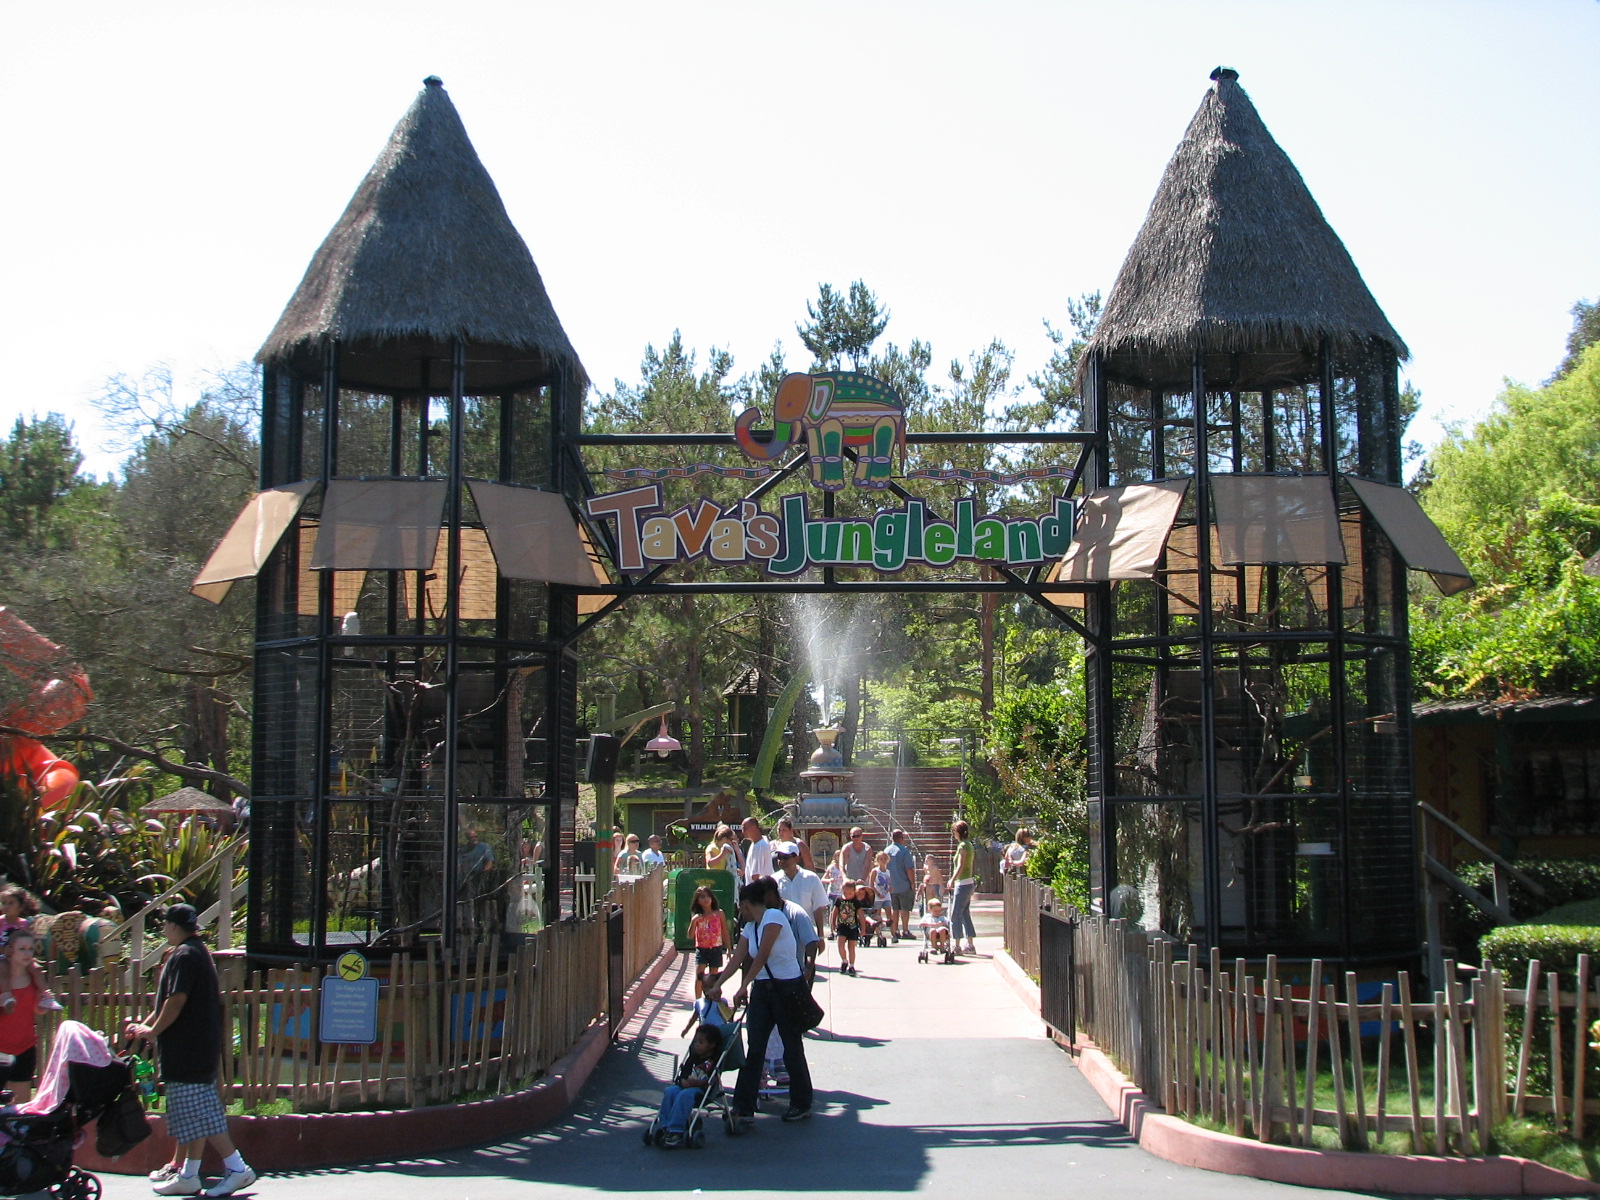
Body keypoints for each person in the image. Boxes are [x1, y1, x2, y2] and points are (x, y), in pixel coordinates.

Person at [125, 904, 256, 1197]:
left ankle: (237, 1169)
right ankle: (189, 1174)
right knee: (192, 1114)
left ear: (173, 926)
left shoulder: (185, 955)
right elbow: (166, 1003)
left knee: (201, 1114)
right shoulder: (197, 952)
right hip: (195, 1049)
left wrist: (153, 1031)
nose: (163, 930)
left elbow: (176, 1000)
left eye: (165, 925)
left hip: (188, 1051)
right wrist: (144, 1026)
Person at [712, 881, 813, 1126]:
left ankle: (801, 1102)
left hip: (786, 988)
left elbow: (763, 955)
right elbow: (737, 959)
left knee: (791, 1045)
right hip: (763, 990)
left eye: (741, 906)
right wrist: (719, 983)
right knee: (755, 1047)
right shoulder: (750, 927)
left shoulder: (774, 917)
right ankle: (743, 1106)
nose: (740, 911)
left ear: (746, 903)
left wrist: (743, 984)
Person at [652, 1025, 721, 1148]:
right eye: (695, 1041)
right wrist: (683, 1080)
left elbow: (710, 1080)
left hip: (700, 1091)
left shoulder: (713, 1061)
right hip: (686, 1086)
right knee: (670, 1091)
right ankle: (665, 1125)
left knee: (684, 1095)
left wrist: (696, 1083)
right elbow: (684, 1072)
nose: (696, 1045)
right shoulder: (693, 1057)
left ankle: (676, 1130)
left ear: (711, 1045)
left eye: (701, 1042)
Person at [0, 929, 48, 1103]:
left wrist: (44, 1004)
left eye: (30, 949)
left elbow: (37, 1010)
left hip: (24, 1046)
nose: (28, 953)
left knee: (20, 1107)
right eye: (22, 949)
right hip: (1, 1048)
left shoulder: (34, 976)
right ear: (11, 950)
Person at [773, 842, 829, 963]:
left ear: (796, 858)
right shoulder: (773, 881)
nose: (781, 861)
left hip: (806, 933)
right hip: (781, 933)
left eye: (785, 857)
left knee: (806, 967)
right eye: (779, 857)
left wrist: (820, 936)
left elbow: (818, 908)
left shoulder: (811, 878)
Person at [686, 886, 732, 997]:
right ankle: (698, 1002)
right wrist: (694, 921)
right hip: (702, 949)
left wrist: (729, 949)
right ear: (698, 901)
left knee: (713, 977)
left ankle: (712, 1000)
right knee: (699, 976)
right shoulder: (697, 917)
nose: (705, 899)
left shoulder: (719, 914)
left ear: (712, 898)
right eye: (702, 897)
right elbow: (690, 936)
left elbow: (725, 932)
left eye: (707, 896)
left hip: (716, 949)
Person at [949, 819, 978, 956]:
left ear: (958, 832)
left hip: (962, 883)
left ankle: (957, 945)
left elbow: (960, 865)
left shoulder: (962, 846)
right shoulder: (969, 845)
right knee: (965, 914)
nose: (953, 834)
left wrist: (952, 879)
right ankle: (970, 944)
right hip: (969, 882)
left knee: (955, 915)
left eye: (954, 831)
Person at [885, 829, 917, 939]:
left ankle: (895, 930)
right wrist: (912, 883)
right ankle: (905, 930)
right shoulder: (904, 851)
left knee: (895, 909)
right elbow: (909, 869)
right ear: (901, 838)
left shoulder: (886, 850)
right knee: (905, 909)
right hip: (904, 885)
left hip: (891, 886)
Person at [830, 881, 864, 976]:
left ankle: (852, 965)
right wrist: (833, 924)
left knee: (851, 948)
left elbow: (861, 915)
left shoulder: (856, 902)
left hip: (853, 927)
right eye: (845, 893)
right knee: (840, 944)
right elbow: (834, 912)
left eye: (850, 893)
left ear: (854, 891)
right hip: (842, 926)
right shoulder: (839, 900)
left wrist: (863, 928)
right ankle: (844, 961)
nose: (847, 895)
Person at [740, 817, 773, 885]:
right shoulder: (756, 843)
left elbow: (755, 876)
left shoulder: (760, 846)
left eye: (745, 828)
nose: (743, 832)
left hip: (758, 890)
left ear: (754, 827)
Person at [870, 852, 894, 940]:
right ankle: (879, 934)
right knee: (878, 916)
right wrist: (877, 893)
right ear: (877, 861)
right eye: (881, 859)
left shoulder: (888, 871)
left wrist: (891, 888)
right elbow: (871, 884)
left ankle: (893, 934)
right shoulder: (875, 871)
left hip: (886, 896)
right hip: (877, 897)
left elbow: (889, 883)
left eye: (885, 859)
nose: (883, 861)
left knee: (889, 915)